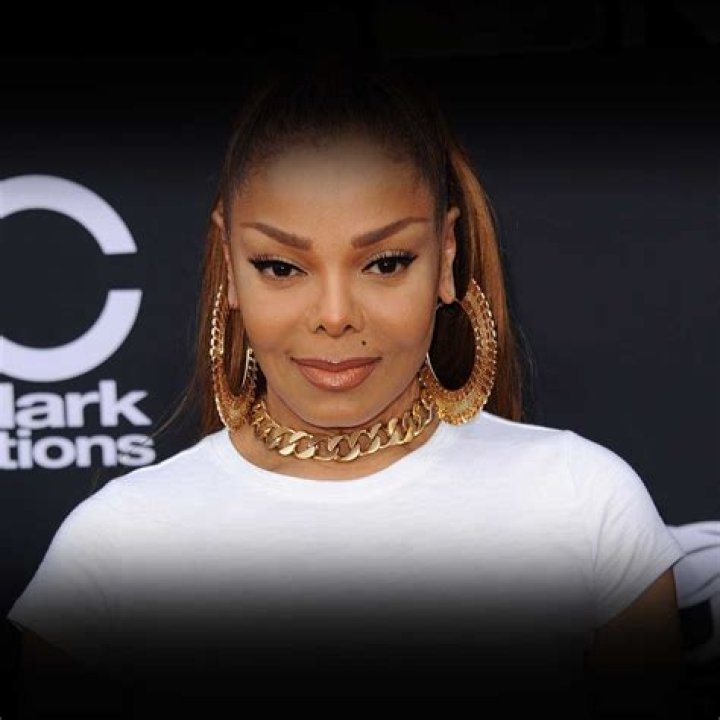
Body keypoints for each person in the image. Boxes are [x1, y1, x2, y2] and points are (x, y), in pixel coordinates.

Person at [7, 55, 685, 718]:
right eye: (280, 267)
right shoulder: (116, 545)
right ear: (230, 261)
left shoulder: (583, 500)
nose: (334, 315)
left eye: (386, 262)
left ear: (445, 256)